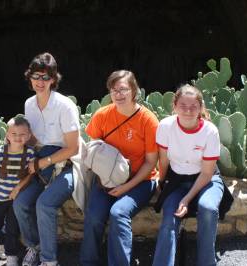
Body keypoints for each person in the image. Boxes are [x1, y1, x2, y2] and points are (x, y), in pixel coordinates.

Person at [79, 70, 159, 266]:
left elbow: (150, 162)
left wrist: (126, 187)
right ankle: (88, 262)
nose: (118, 94)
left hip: (141, 180)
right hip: (107, 179)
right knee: (94, 216)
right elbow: (94, 152)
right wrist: (103, 179)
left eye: (123, 89)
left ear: (134, 91)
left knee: (118, 213)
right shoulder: (102, 115)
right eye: (114, 90)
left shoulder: (148, 120)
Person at [13, 52, 80, 266]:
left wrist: (42, 162)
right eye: (35, 76)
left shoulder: (64, 105)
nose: (39, 82)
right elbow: (31, 139)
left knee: (44, 204)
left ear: (53, 79)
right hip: (39, 164)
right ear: (29, 77)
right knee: (21, 203)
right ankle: (34, 246)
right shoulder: (29, 104)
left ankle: (49, 261)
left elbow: (73, 148)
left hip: (66, 165)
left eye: (45, 77)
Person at [152, 84, 224, 266]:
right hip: (177, 180)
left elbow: (207, 172)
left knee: (207, 208)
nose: (188, 111)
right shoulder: (165, 126)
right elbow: (164, 160)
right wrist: (161, 182)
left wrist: (186, 199)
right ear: (174, 106)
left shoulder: (210, 131)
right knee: (169, 216)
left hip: (206, 180)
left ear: (201, 108)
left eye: (194, 106)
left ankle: (206, 263)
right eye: (183, 106)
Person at [0, 116, 36, 266]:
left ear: (28, 136)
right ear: (7, 135)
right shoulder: (0, 153)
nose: (18, 138)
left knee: (13, 227)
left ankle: (11, 255)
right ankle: (1, 243)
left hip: (15, 198)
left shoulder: (30, 153)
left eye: (22, 134)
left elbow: (30, 174)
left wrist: (18, 188)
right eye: (14, 134)